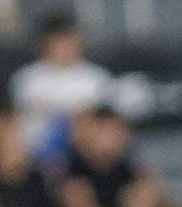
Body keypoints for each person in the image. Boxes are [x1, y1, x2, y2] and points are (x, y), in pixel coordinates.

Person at [10, 17, 110, 157]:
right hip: (36, 151)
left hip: (83, 152)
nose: (65, 48)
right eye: (59, 42)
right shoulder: (27, 79)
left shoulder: (96, 78)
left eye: (69, 41)